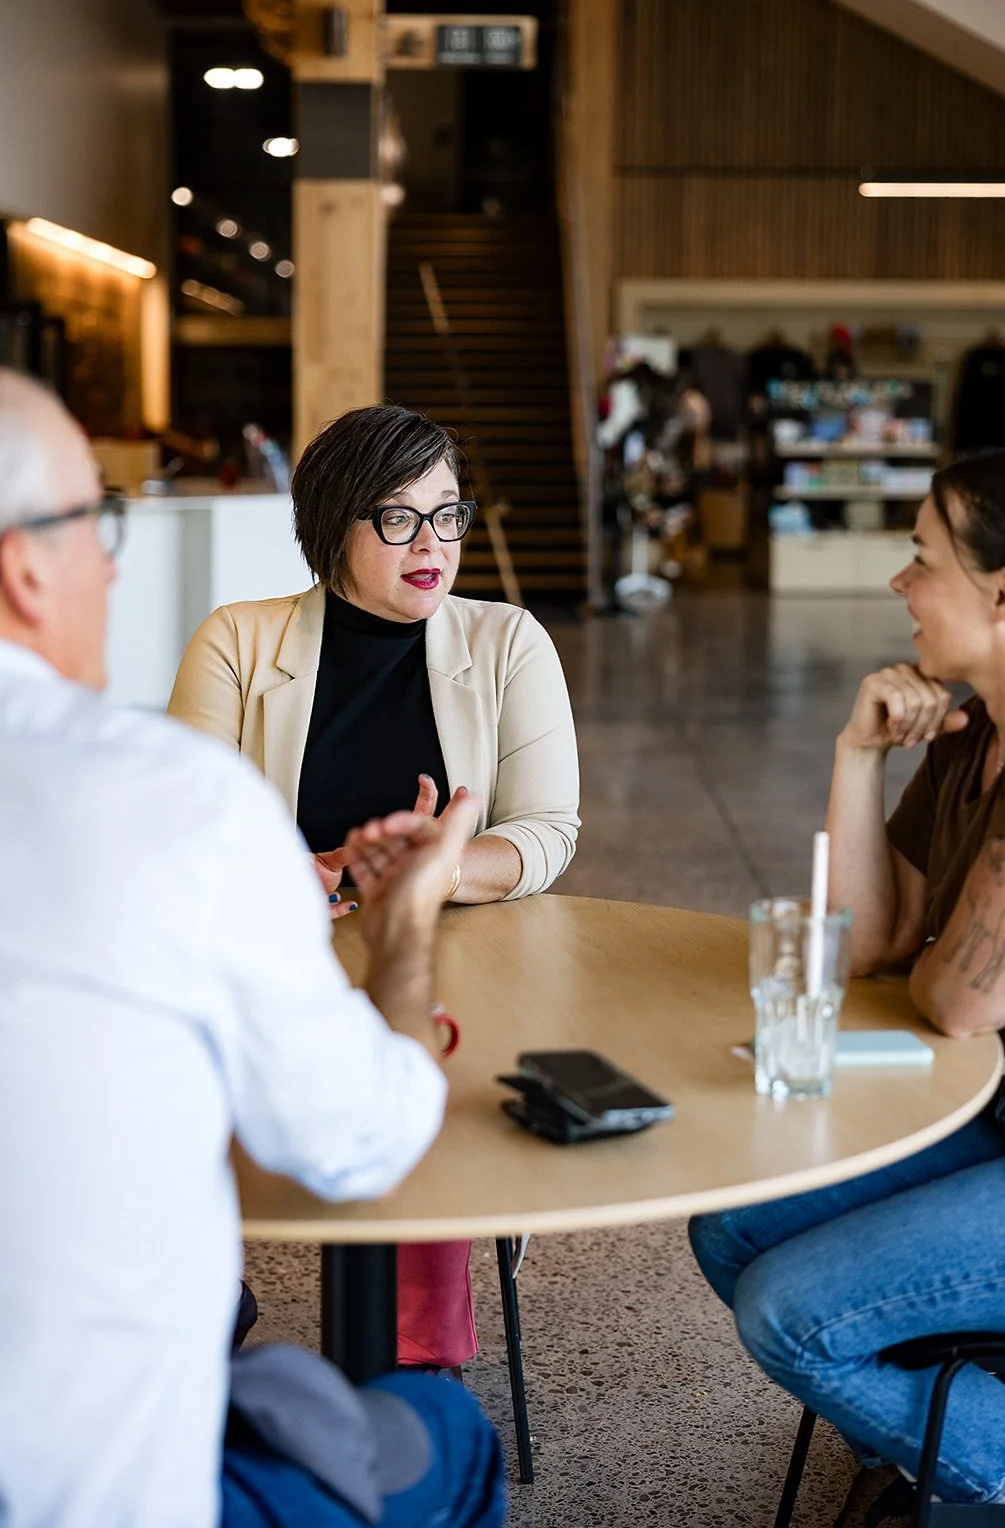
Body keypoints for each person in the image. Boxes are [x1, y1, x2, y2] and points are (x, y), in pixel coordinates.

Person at [0, 363, 506, 1528]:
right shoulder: (168, 800)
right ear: (22, 569)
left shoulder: (496, 646)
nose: (112, 563)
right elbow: (360, 1144)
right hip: (90, 1490)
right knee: (449, 1432)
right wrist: (402, 937)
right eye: (96, 523)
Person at [168, 402, 580, 1372]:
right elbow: (184, 828)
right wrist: (302, 872)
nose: (430, 543)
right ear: (331, 522)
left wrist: (431, 869)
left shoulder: (507, 643)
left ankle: (412, 1366)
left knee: (417, 1070)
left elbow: (545, 832)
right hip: (269, 954)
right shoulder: (238, 640)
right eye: (397, 518)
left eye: (447, 514)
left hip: (440, 959)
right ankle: (189, 1304)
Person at [689, 450, 1005, 1526]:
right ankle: (943, 1443)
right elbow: (870, 944)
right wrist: (853, 752)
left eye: (918, 558)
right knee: (728, 1228)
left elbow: (960, 1001)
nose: (898, 584)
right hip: (1004, 1116)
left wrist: (939, 957)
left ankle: (1001, 1462)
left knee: (789, 1312)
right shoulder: (972, 732)